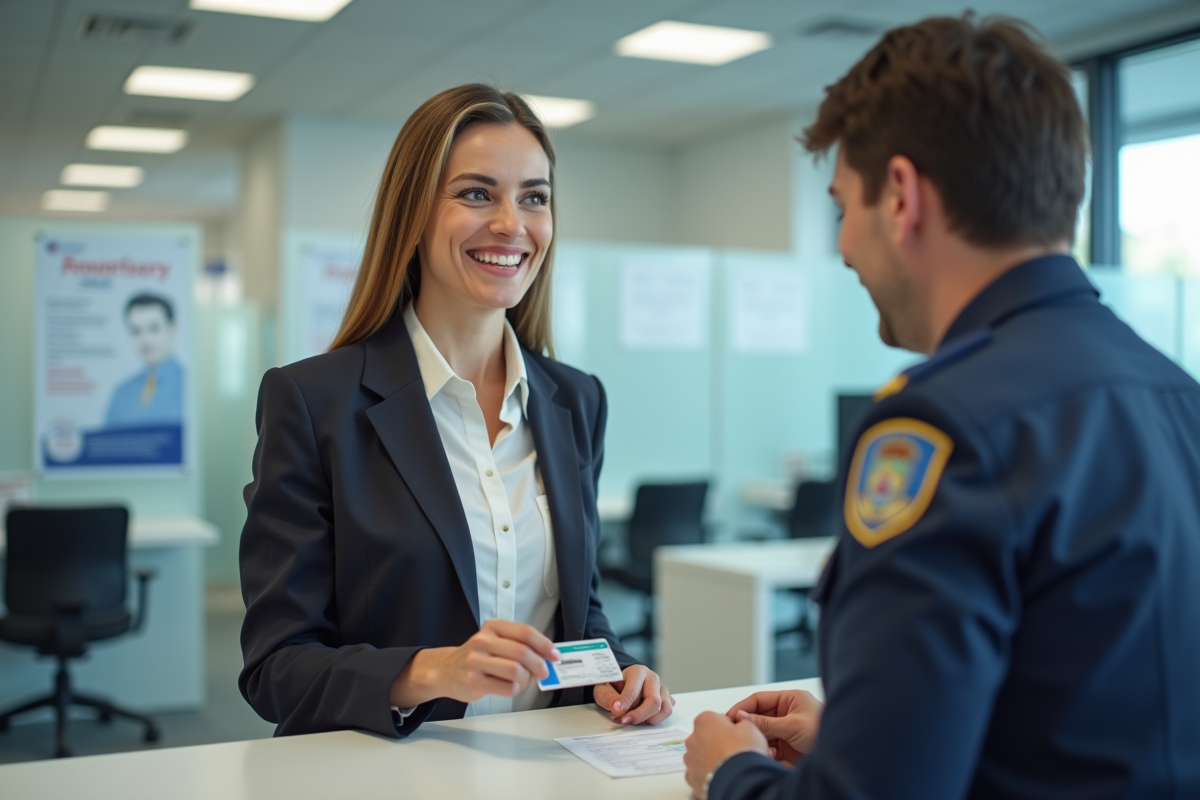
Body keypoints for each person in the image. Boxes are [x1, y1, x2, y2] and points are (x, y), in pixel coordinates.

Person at [684, 15, 1200, 800]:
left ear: (901, 196)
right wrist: (863, 731)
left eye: (841, 209)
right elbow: (1095, 713)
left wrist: (733, 774)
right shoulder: (1174, 394)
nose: (845, 247)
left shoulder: (941, 427)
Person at [239, 84, 674, 738]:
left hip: (545, 774)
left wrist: (617, 672)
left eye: (534, 197)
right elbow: (276, 667)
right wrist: (429, 672)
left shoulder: (575, 401)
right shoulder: (314, 402)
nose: (511, 224)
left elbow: (578, 618)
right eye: (476, 193)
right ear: (413, 213)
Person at [105, 293, 184, 429]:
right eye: (136, 331)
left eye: (154, 329)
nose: (145, 340)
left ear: (173, 328)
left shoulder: (192, 387)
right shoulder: (122, 392)